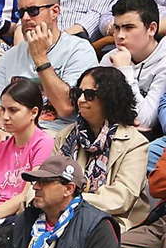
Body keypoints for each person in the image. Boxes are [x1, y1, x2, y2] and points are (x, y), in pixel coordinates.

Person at [0, 0, 98, 136]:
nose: (25, 18)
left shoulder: (79, 50)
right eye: (21, 12)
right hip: (13, 135)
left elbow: (65, 107)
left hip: (56, 134)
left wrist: (40, 58)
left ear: (55, 11)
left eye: (33, 11)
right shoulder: (10, 56)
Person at [52, 66, 149, 230]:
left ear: (109, 98)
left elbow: (121, 197)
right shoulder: (65, 136)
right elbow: (46, 177)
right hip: (59, 215)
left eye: (89, 95)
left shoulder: (135, 143)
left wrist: (68, 201)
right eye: (78, 93)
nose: (81, 99)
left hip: (108, 221)